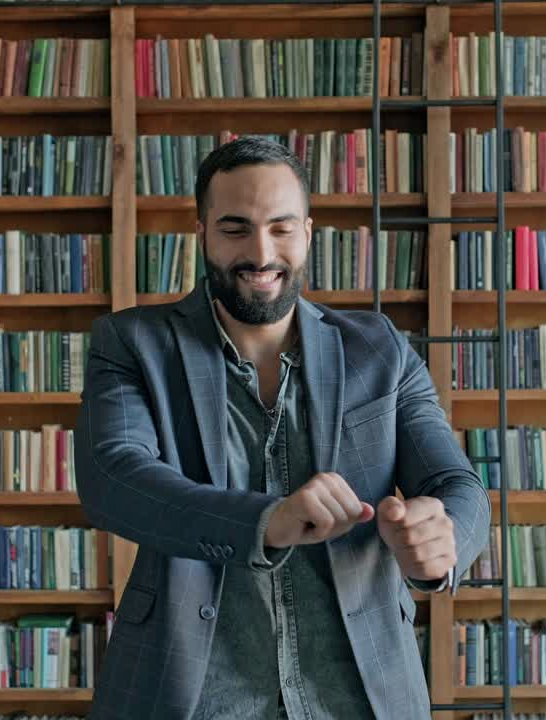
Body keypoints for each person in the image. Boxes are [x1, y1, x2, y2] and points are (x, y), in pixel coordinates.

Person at [75, 135, 491, 720]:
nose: (261, 252)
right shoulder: (131, 343)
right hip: (188, 693)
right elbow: (113, 481)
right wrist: (266, 521)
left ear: (309, 232)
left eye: (281, 227)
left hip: (361, 695)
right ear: (201, 233)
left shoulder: (380, 348)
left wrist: (442, 544)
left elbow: (458, 484)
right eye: (235, 228)